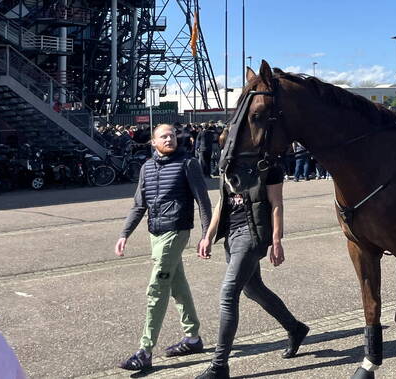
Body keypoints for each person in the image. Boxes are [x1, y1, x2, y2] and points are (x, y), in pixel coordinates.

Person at [194, 158, 308, 378]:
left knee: (228, 294)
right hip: (232, 235)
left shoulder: (269, 167)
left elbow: (276, 204)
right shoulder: (227, 164)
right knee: (253, 289)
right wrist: (207, 235)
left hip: (252, 234)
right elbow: (222, 201)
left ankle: (219, 366)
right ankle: (295, 328)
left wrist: (276, 241)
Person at [115, 124, 213, 372]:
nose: (169, 139)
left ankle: (145, 351)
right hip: (155, 233)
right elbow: (139, 205)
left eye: (172, 135)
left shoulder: (187, 163)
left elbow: (203, 201)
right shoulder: (147, 167)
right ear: (153, 142)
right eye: (164, 136)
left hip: (176, 231)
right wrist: (124, 234)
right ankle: (193, 338)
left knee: (156, 288)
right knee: (177, 285)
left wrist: (206, 235)